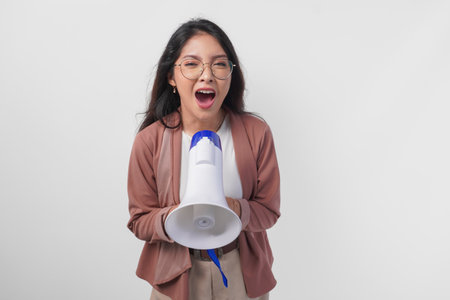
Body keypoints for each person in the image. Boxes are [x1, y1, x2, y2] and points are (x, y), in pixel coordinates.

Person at [127, 18, 280, 300]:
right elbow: (139, 221)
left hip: (240, 271)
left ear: (231, 75)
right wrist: (175, 218)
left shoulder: (256, 133)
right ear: (171, 76)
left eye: (219, 64)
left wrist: (234, 208)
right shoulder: (149, 141)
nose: (206, 75)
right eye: (191, 63)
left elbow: (269, 212)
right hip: (174, 274)